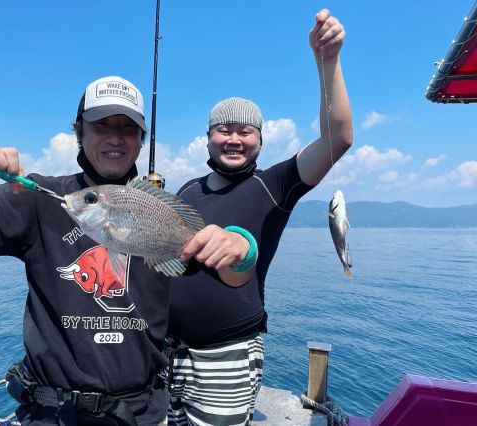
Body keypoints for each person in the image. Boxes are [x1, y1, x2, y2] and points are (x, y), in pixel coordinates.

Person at [0, 75, 253, 425]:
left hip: (141, 414)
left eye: (128, 127)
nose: (115, 137)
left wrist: (244, 248)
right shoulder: (36, 198)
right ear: (79, 131)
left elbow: (233, 277)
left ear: (141, 140)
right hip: (51, 414)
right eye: (100, 125)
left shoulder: (164, 213)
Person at [166, 9, 353, 426]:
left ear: (260, 140)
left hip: (227, 355)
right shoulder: (186, 191)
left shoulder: (276, 183)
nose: (234, 139)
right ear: (209, 137)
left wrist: (328, 61)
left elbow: (338, 138)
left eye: (245, 131)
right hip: (166, 351)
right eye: (224, 129)